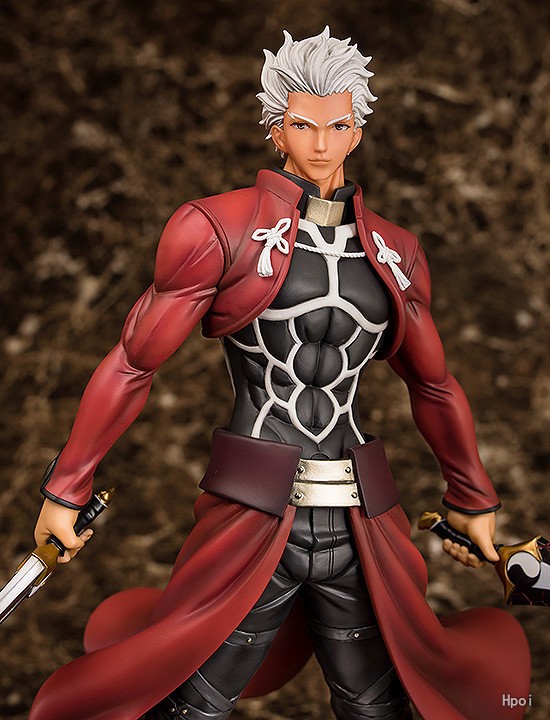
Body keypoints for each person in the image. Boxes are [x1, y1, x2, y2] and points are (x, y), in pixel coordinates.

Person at [30, 28, 530, 720]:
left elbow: (433, 384)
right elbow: (134, 361)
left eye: (338, 126)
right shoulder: (218, 228)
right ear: (275, 130)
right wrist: (67, 486)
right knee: (190, 702)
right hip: (254, 513)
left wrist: (471, 496)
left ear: (358, 131)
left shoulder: (395, 252)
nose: (321, 144)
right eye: (302, 125)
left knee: (382, 705)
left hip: (361, 519)